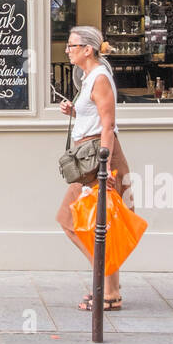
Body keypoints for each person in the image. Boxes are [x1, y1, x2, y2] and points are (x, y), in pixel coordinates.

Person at [56, 25, 133, 312]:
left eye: (72, 45)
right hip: (88, 157)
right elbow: (94, 115)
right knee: (93, 224)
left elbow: (108, 124)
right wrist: (74, 112)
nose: (68, 50)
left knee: (81, 221)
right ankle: (108, 287)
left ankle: (107, 288)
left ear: (87, 49)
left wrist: (105, 169)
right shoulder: (89, 77)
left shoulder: (100, 77)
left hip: (98, 159)